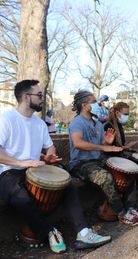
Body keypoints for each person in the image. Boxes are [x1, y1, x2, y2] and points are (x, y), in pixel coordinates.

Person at [0, 80, 111, 254]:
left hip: (36, 169)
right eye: (39, 95)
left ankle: (83, 232)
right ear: (26, 97)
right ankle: (50, 232)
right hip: (10, 170)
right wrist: (23, 162)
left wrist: (50, 155)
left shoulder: (39, 124)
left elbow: (50, 146)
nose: (42, 98)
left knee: (68, 185)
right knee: (19, 196)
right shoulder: (6, 120)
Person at [68, 90, 138, 226]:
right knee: (105, 177)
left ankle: (131, 208)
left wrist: (106, 142)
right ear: (84, 105)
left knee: (129, 171)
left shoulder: (97, 123)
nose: (98, 104)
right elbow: (78, 143)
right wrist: (104, 147)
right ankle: (121, 213)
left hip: (98, 160)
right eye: (94, 102)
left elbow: (99, 145)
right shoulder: (77, 122)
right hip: (80, 164)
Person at [103, 101, 138, 223]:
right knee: (132, 172)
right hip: (110, 159)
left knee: (137, 169)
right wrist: (125, 148)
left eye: (128, 114)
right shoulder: (108, 126)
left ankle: (131, 207)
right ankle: (128, 208)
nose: (127, 116)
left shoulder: (119, 126)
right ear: (117, 113)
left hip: (118, 156)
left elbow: (119, 146)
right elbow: (109, 148)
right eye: (125, 114)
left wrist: (129, 148)